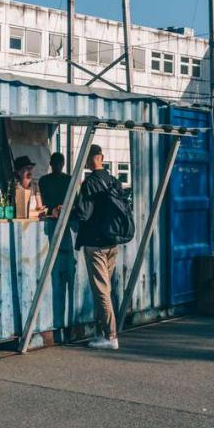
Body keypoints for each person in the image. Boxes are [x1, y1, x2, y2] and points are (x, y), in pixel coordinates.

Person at [73, 144, 135, 350]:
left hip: (95, 244)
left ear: (91, 158)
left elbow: (83, 214)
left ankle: (110, 336)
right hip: (112, 243)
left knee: (101, 291)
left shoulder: (89, 183)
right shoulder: (114, 182)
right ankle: (102, 333)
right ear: (102, 157)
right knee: (106, 289)